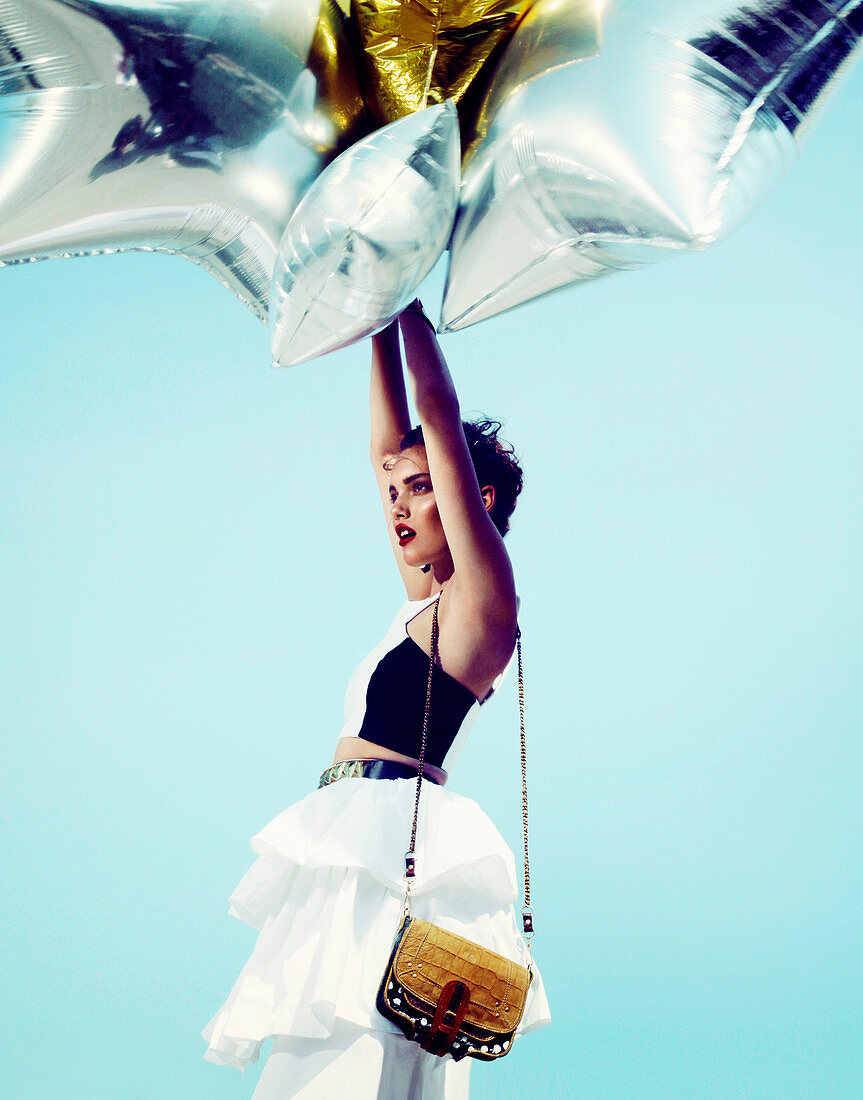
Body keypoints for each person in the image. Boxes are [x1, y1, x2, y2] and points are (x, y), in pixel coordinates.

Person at [203, 301, 550, 1097]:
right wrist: (374, 313)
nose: (396, 500)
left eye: (422, 487)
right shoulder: (422, 602)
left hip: (391, 837)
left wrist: (408, 304)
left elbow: (437, 411)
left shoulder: (483, 605)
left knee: (366, 1042)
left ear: (476, 501)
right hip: (351, 830)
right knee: (326, 1047)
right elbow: (382, 447)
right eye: (396, 489)